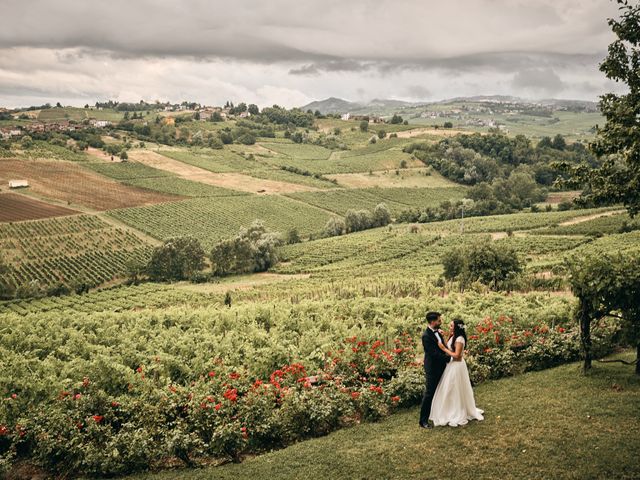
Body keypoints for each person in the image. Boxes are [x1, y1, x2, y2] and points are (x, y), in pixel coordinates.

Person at [429, 319, 484, 427]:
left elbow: (457, 356)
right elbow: (451, 347)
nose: (449, 327)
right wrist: (445, 338)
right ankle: (449, 409)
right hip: (451, 365)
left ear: (456, 327)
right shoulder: (454, 336)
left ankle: (457, 411)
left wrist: (444, 348)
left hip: (457, 366)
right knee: (449, 388)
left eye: (451, 326)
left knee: (455, 388)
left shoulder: (460, 338)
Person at [419, 311, 449, 429]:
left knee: (442, 390)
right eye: (438, 320)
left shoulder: (438, 331)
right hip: (432, 368)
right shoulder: (426, 336)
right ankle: (423, 421)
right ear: (432, 322)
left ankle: (441, 414)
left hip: (441, 366)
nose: (440, 321)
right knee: (429, 393)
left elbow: (442, 346)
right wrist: (450, 357)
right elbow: (434, 354)